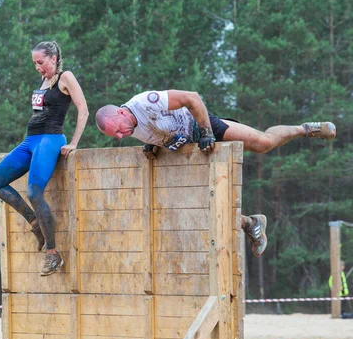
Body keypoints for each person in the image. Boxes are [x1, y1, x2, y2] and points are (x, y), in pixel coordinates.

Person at [95, 89, 337, 257]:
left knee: (263, 143)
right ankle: (251, 223)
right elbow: (157, 132)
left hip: (201, 129)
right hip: (185, 151)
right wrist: (154, 144)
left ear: (121, 113)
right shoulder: (129, 126)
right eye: (115, 135)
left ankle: (305, 129)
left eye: (118, 130)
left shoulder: (146, 102)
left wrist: (207, 131)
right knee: (204, 207)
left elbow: (192, 98)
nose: (119, 136)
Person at [0, 41, 89, 276]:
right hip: (30, 140)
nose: (37, 67)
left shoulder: (66, 77)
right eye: (34, 63)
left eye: (40, 62)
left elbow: (83, 109)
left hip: (51, 139)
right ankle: (35, 223)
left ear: (53, 58)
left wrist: (73, 143)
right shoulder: (43, 81)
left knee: (34, 192)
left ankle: (52, 254)